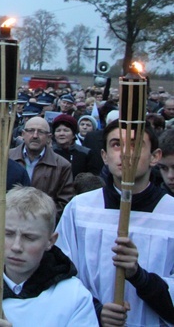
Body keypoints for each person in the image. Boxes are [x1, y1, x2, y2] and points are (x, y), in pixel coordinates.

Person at [56, 120, 174, 326]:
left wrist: (139, 277)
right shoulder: (80, 209)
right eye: (116, 145)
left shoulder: (170, 213)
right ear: (104, 156)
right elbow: (60, 272)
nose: (125, 153)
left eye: (136, 145)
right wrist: (96, 310)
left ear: (155, 157)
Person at [0, 186, 97, 327]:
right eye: (8, 234)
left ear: (51, 241)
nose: (16, 246)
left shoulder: (74, 297)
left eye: (29, 237)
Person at [9, 116, 74, 218]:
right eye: (30, 131)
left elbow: (64, 203)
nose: (35, 136)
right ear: (23, 134)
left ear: (49, 137)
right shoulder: (6, 158)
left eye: (40, 132)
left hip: (41, 227)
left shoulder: (62, 166)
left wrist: (39, 220)